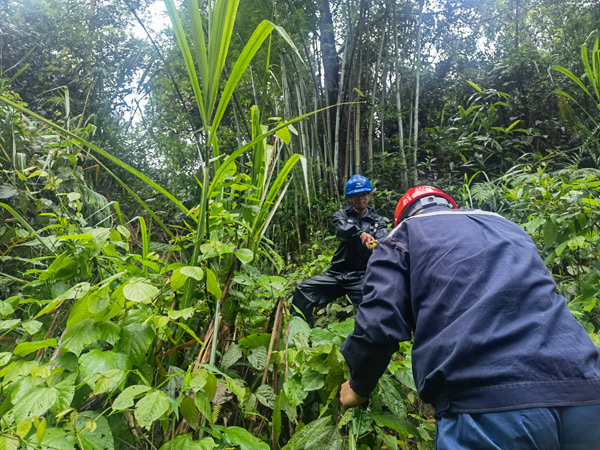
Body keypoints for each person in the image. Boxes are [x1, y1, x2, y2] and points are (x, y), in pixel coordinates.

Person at [340, 185, 600, 449]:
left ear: (403, 216)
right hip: (587, 388)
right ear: (450, 206)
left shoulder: (404, 233)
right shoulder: (506, 226)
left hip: (488, 405)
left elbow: (378, 324)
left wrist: (357, 388)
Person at [291, 175, 388, 325]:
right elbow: (342, 230)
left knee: (372, 311)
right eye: (356, 195)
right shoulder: (341, 215)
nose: (360, 198)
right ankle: (298, 335)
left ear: (369, 195)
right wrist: (360, 234)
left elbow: (383, 240)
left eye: (363, 194)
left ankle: (371, 343)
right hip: (337, 274)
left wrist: (376, 244)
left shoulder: (378, 221)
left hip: (362, 276)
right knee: (303, 290)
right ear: (350, 198)